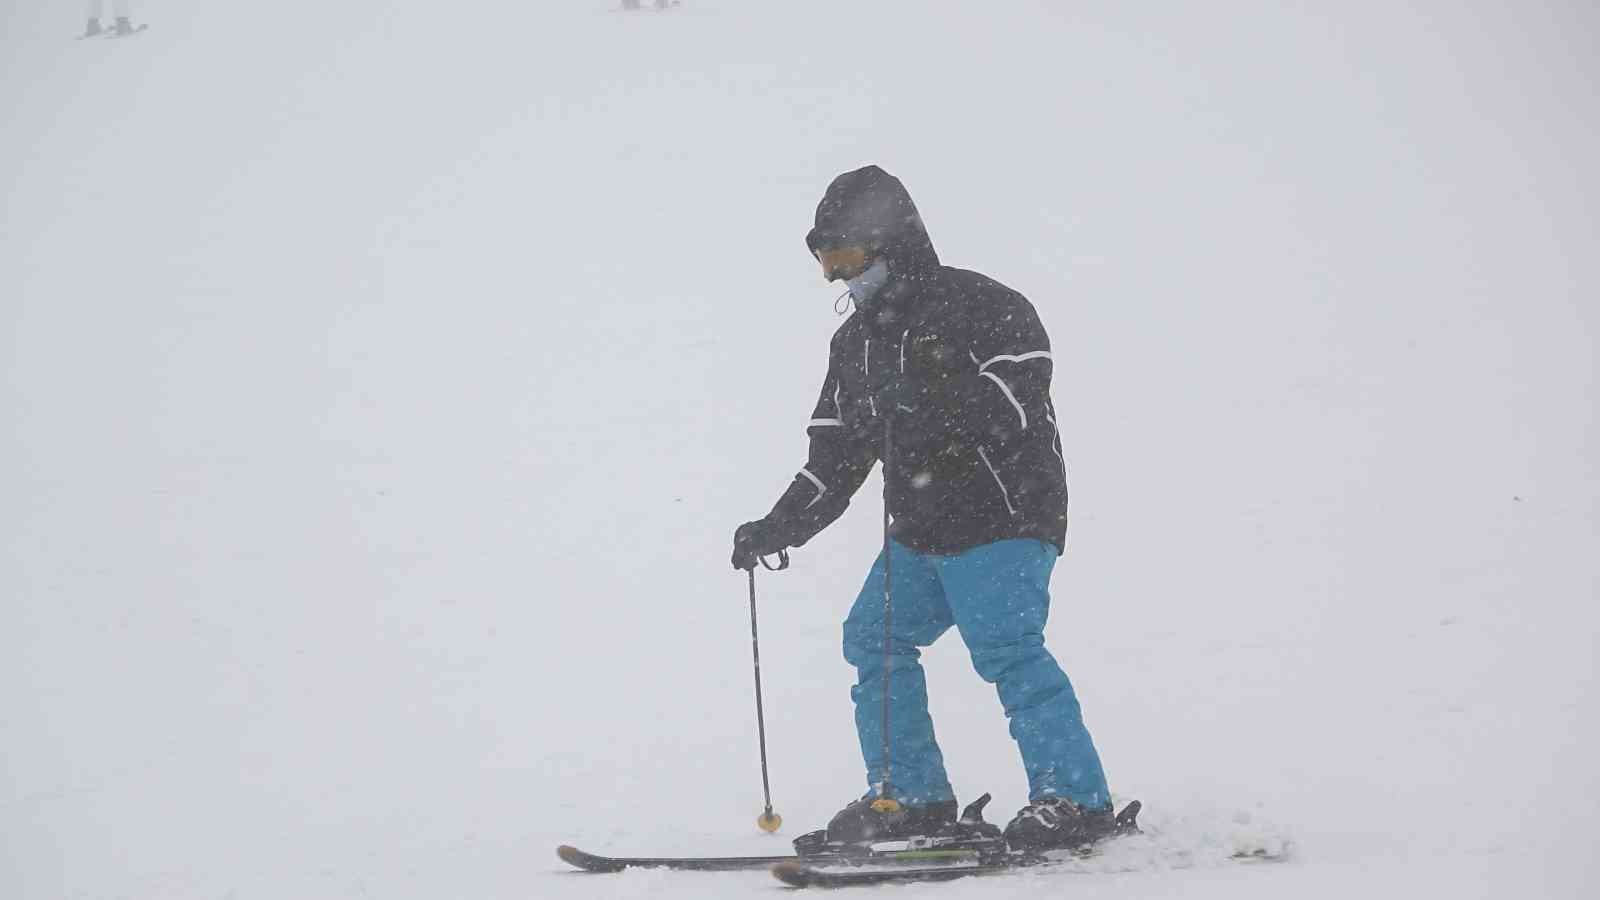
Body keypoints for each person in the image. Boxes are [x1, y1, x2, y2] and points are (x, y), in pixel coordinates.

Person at [730, 165, 1118, 852]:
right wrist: (777, 525)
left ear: (891, 242)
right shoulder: (854, 344)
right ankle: (910, 796)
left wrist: (925, 395)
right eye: (827, 263)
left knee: (1005, 648)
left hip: (1003, 517)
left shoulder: (983, 304)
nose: (837, 278)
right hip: (920, 529)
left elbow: (1015, 403)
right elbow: (835, 458)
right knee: (872, 640)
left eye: (846, 258)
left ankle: (1074, 797)